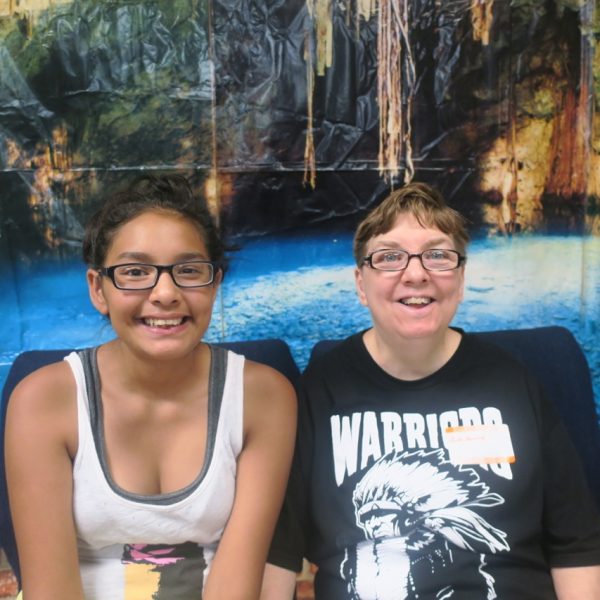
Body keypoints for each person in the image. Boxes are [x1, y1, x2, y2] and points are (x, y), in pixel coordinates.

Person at [261, 182, 600, 599]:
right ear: (361, 284)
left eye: (438, 255)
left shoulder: (512, 381)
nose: (416, 274)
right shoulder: (321, 388)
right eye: (389, 257)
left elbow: (576, 544)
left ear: (460, 279)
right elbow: (278, 554)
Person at [5, 174, 297, 599]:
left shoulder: (263, 396)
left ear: (215, 283)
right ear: (98, 289)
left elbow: (236, 585)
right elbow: (51, 592)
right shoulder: (43, 400)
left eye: (189, 270)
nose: (165, 293)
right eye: (135, 271)